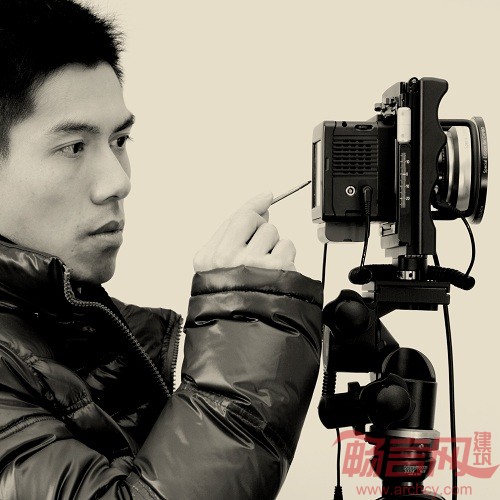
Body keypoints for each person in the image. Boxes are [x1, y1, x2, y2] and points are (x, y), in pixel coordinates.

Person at [0, 1, 323, 498]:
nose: (117, 181)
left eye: (120, 140)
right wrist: (247, 323)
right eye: (74, 147)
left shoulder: (95, 329)